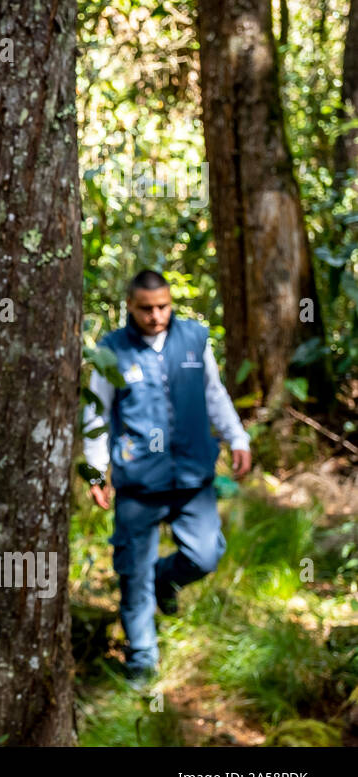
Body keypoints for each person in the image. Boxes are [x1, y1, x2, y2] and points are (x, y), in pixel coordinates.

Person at [81, 269, 252, 683]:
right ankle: (141, 660)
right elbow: (96, 413)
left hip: (193, 475)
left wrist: (237, 437)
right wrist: (95, 471)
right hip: (138, 481)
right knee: (132, 572)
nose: (156, 316)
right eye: (145, 309)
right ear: (130, 307)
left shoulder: (193, 339)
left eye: (163, 307)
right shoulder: (111, 350)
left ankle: (164, 579)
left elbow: (214, 392)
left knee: (205, 554)